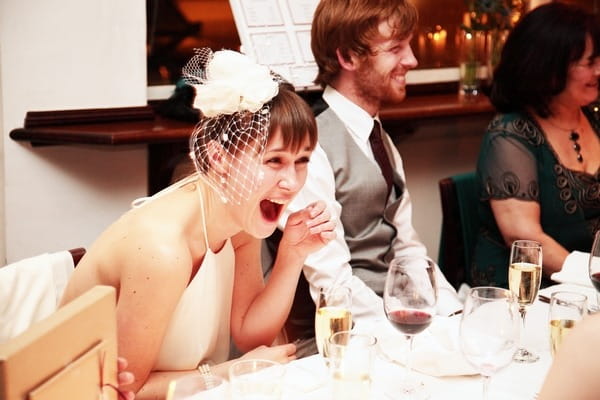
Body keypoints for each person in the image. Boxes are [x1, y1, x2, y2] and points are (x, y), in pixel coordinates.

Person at [60, 48, 336, 398]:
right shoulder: (162, 252)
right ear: (219, 157)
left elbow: (251, 334)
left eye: (302, 160)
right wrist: (230, 372)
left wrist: (292, 256)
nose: (293, 182)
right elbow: (120, 391)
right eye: (274, 160)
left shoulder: (237, 213)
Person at [264, 0, 463, 354]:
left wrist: (451, 314)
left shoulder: (380, 137)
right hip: (338, 341)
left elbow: (407, 248)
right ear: (348, 58)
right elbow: (332, 282)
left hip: (393, 326)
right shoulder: (308, 148)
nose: (412, 60)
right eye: (395, 48)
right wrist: (406, 339)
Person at [471, 2, 600, 287]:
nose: (599, 71)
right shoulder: (511, 134)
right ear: (550, 68)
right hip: (527, 294)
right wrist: (591, 277)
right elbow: (524, 237)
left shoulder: (594, 119)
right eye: (589, 63)